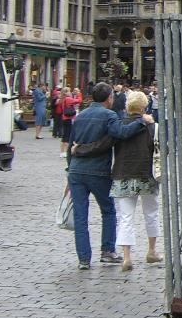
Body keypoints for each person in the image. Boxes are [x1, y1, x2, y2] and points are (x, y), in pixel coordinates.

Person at [65, 83, 152, 270]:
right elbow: (122, 133)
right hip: (98, 171)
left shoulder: (80, 116)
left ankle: (83, 259)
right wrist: (142, 121)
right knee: (108, 211)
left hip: (76, 171)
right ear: (109, 98)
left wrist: (69, 169)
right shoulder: (109, 115)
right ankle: (107, 251)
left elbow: (71, 144)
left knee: (80, 216)